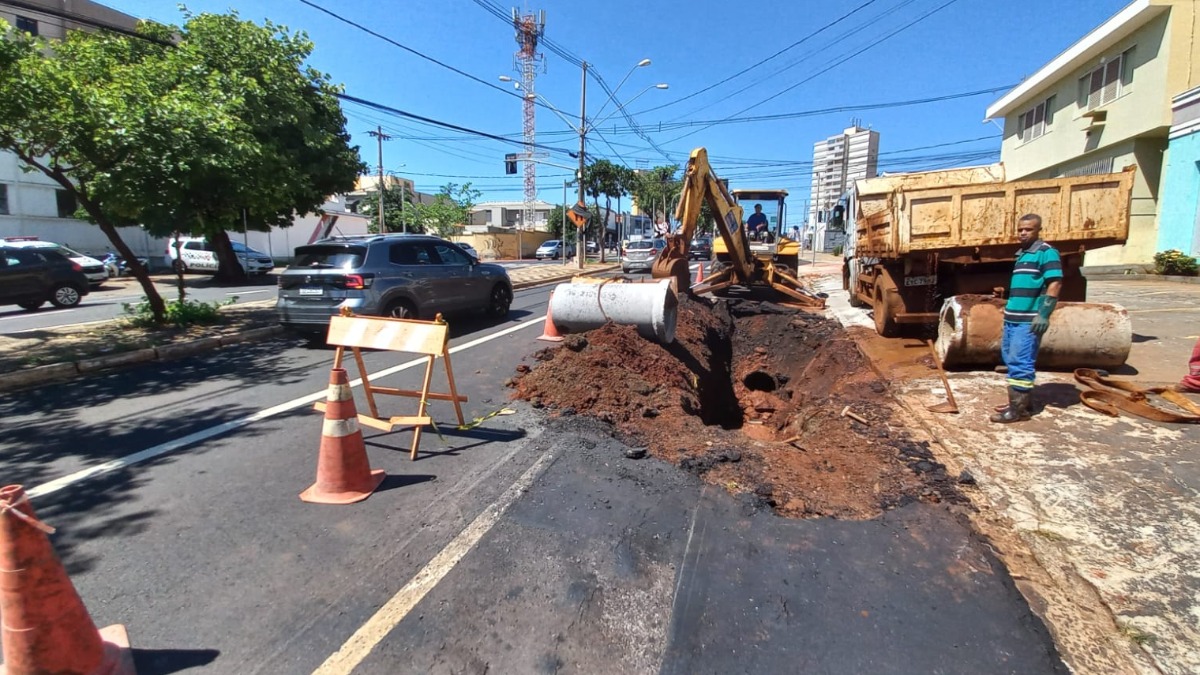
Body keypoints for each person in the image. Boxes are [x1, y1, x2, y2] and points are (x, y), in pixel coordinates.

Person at [991, 213, 1062, 423]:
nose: (1023, 233)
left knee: (1021, 361)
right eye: (1020, 229)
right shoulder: (1022, 254)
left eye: (1028, 229)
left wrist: (1043, 315)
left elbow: (1055, 284)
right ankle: (1021, 402)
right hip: (1013, 318)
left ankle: (1018, 412)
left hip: (1028, 320)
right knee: (1011, 359)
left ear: (1038, 230)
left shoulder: (1046, 253)